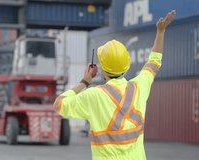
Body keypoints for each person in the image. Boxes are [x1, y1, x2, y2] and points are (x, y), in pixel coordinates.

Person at [53, 10, 176, 160]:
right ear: (127, 65)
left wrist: (85, 82)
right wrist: (161, 31)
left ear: (103, 69)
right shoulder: (139, 87)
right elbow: (154, 61)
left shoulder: (94, 95)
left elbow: (59, 105)